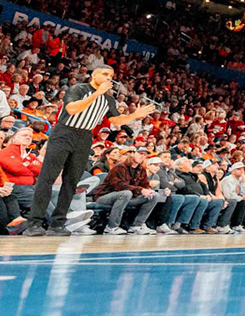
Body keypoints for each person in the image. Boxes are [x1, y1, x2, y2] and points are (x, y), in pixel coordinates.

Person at [20, 66, 155, 237]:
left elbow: (116, 120)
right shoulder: (78, 89)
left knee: (71, 182)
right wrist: (97, 93)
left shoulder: (108, 99)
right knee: (47, 178)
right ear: (94, 75)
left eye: (111, 76)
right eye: (105, 74)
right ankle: (34, 223)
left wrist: (134, 115)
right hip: (64, 132)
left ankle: (57, 224)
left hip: (84, 137)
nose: (108, 78)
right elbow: (72, 109)